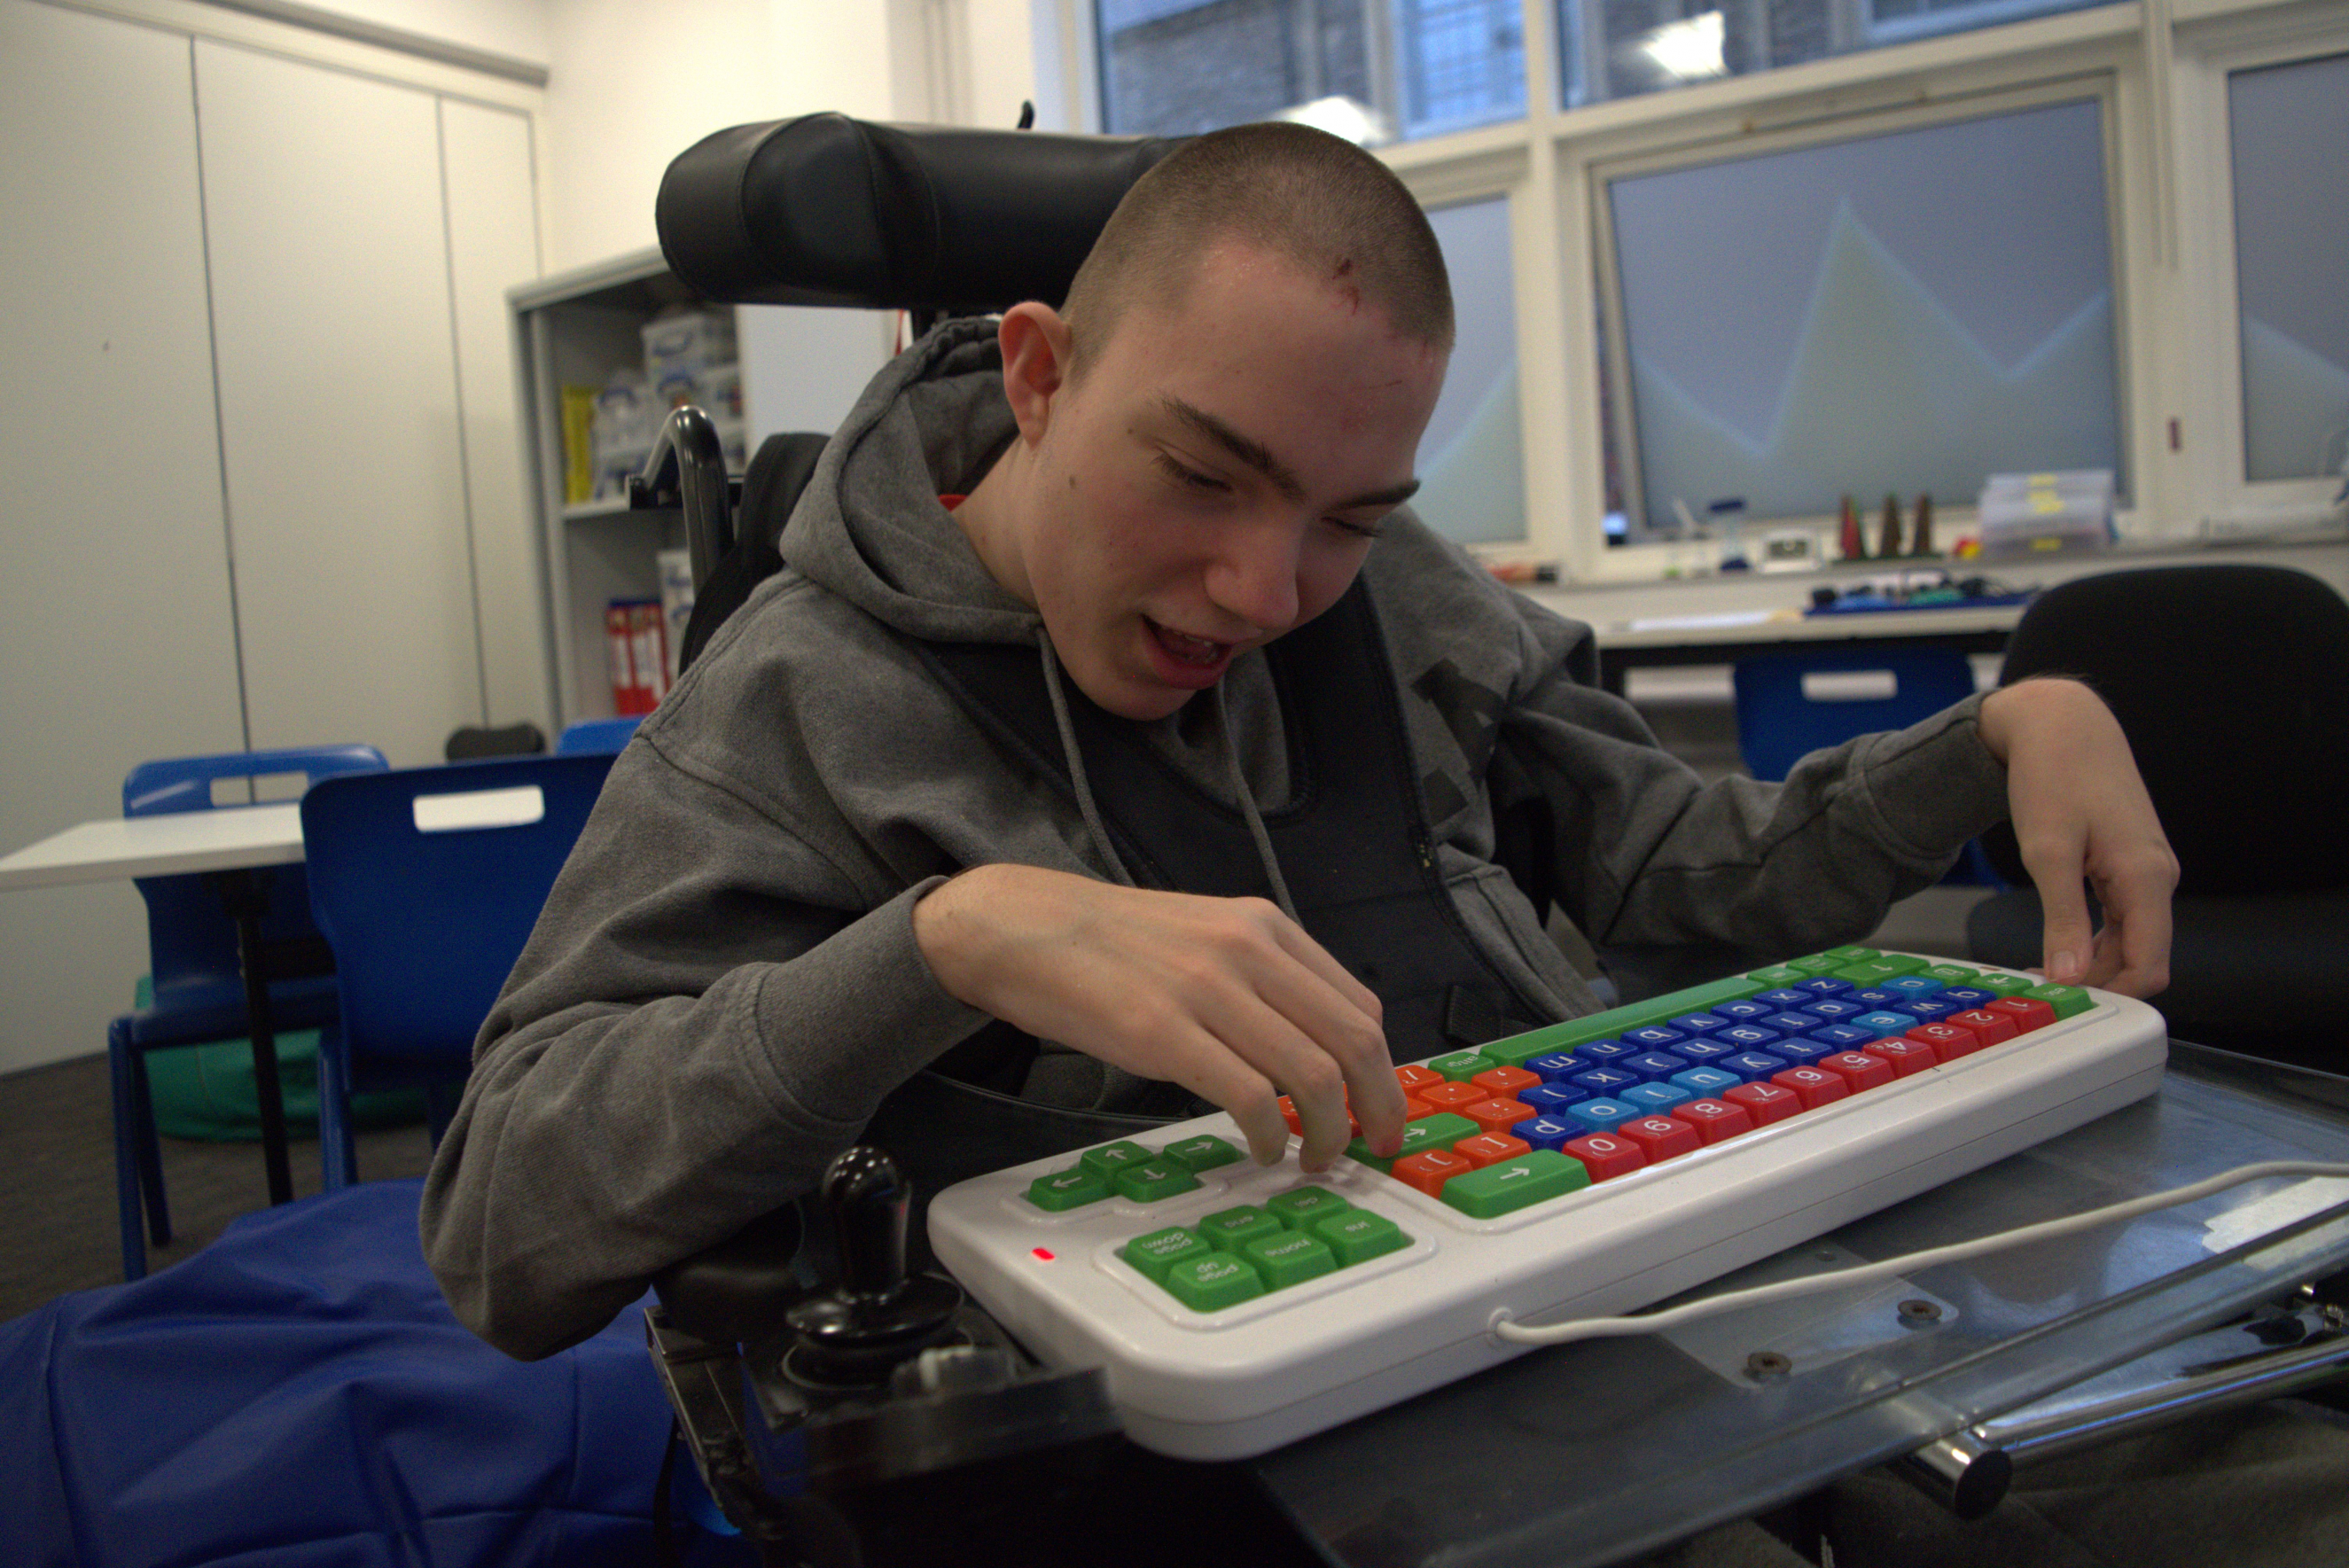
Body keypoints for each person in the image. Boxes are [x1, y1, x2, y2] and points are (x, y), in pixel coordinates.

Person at [418, 121, 2175, 1364]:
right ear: (1036, 374)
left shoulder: (1387, 589)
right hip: (1189, 1429)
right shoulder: (796, 700)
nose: (1265, 585)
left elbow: (1683, 872)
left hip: (1601, 1295)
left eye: (1347, 508)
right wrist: (943, 944)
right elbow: (499, 1230)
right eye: (1201, 474)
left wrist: (1998, 729)